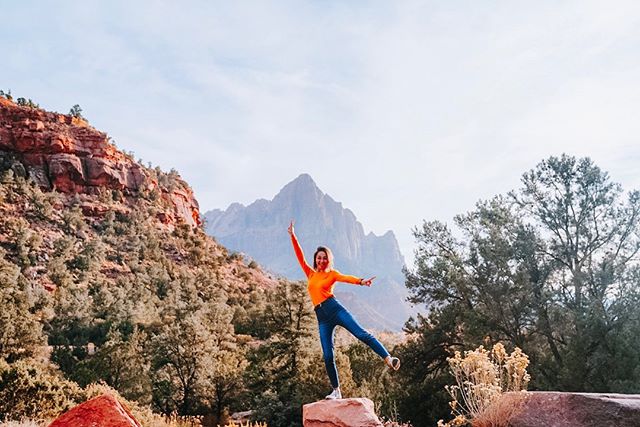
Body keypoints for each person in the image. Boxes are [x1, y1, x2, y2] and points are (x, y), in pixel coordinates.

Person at [288, 220, 400, 400]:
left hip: (335, 309)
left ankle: (388, 359)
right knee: (327, 355)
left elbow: (345, 277)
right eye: (319, 257)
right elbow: (299, 255)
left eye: (325, 258)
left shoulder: (331, 274)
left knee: (361, 334)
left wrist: (361, 281)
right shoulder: (310, 273)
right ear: (315, 259)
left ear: (328, 259)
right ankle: (336, 391)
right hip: (322, 317)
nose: (322, 260)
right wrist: (293, 236)